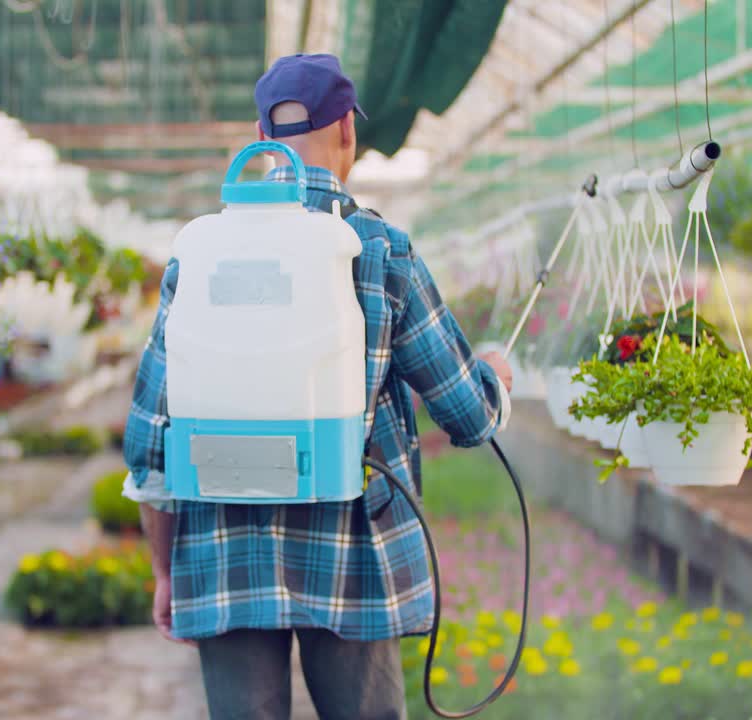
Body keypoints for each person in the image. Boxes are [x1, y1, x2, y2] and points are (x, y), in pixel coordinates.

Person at [122, 53, 513, 720]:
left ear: (259, 138)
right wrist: (496, 378)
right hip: (354, 563)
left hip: (224, 560)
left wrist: (164, 573)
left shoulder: (201, 254)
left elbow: (150, 443)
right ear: (348, 135)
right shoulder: (381, 252)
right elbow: (467, 416)